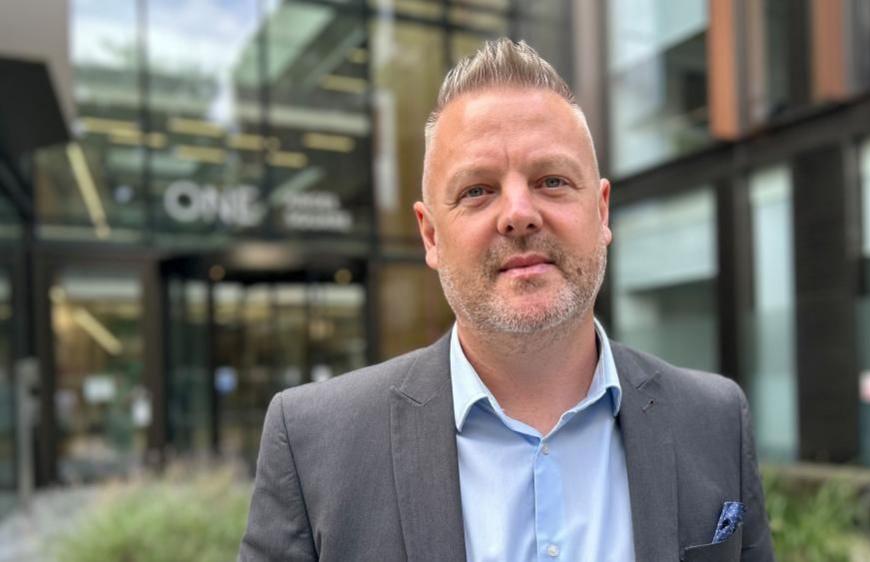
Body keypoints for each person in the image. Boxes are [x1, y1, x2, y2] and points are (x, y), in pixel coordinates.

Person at [239, 38, 774, 562]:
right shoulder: (314, 443)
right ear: (430, 235)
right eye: (477, 190)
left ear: (602, 212)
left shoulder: (715, 419)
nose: (519, 213)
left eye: (552, 180)